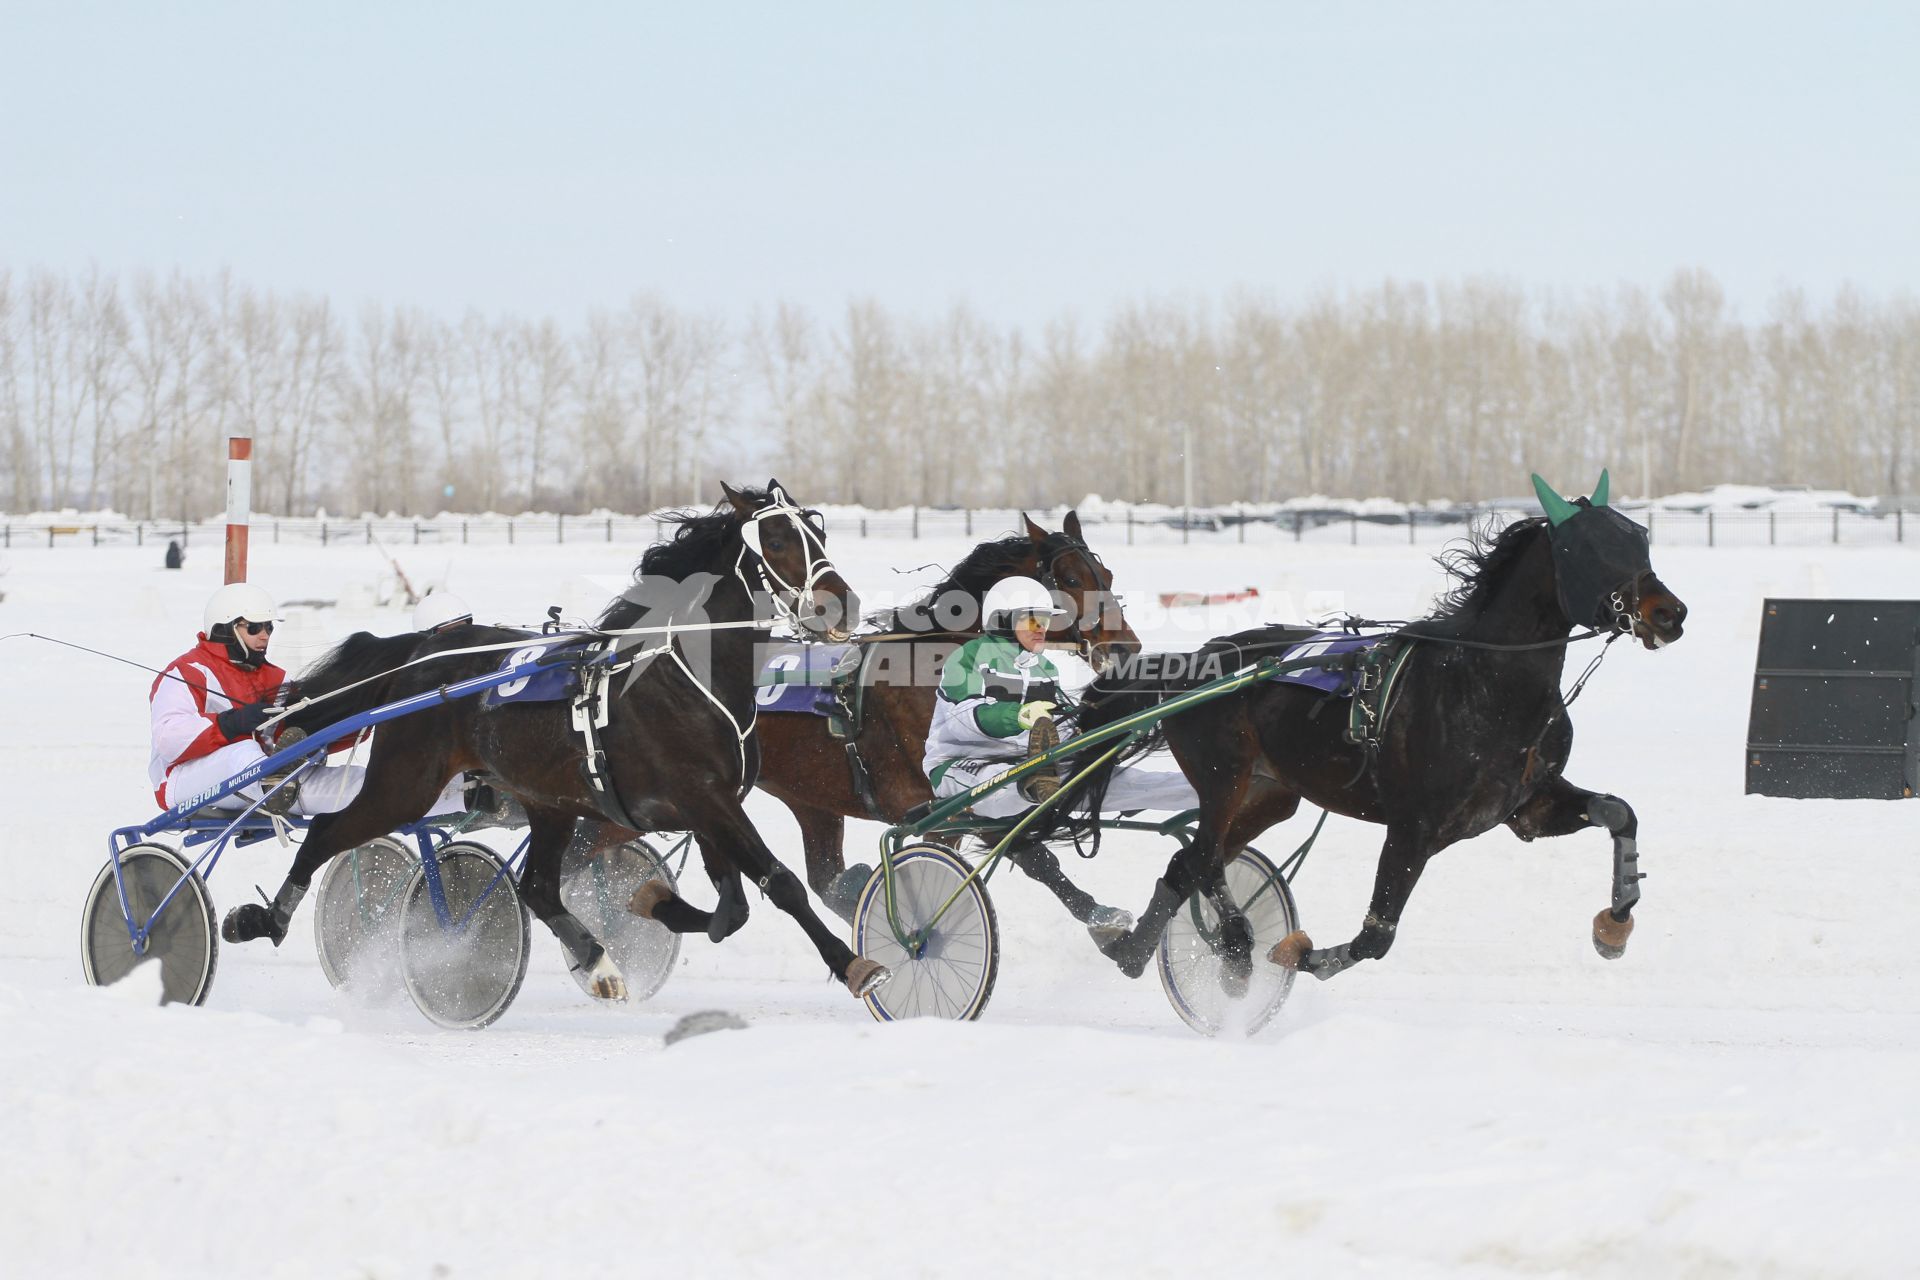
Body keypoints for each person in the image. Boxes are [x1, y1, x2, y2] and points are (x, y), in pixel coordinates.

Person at [150, 583, 466, 820]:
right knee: (243, 752)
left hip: (270, 780)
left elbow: (300, 727)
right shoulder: (188, 672)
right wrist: (231, 723)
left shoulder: (275, 678)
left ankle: (463, 797)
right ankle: (274, 781)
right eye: (255, 627)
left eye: (269, 627)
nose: (265, 635)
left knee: (360, 784)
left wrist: (357, 716)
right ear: (225, 629)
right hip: (184, 781)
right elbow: (169, 738)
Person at [923, 576, 1197, 821]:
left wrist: (1102, 736)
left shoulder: (1045, 669)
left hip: (1031, 767)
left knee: (1136, 783)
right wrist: (1018, 716)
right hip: (963, 763)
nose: (1042, 628)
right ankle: (1033, 786)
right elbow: (963, 717)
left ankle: (1210, 792)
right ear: (1004, 618)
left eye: (1045, 621)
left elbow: (1059, 723)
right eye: (1033, 620)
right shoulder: (969, 656)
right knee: (1007, 786)